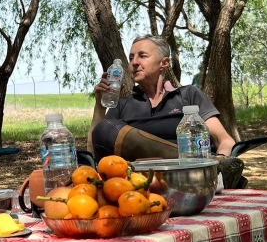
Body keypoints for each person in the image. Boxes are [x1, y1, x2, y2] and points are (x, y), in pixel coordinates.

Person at [89, 35, 245, 188]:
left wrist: (222, 158)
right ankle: (212, 167)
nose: (134, 63)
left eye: (142, 56)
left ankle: (214, 169)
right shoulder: (122, 104)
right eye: (131, 58)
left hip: (185, 177)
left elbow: (225, 140)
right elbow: (95, 149)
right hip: (140, 182)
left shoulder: (188, 96)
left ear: (164, 63)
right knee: (104, 129)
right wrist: (100, 105)